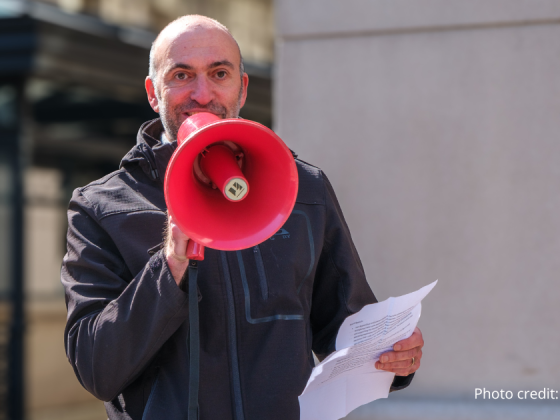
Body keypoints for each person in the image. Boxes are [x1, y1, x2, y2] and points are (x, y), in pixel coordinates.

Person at [61, 15, 424, 420]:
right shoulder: (102, 206)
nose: (202, 94)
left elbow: (342, 326)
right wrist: (168, 268)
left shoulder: (303, 189)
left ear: (242, 88)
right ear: (153, 93)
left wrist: (392, 356)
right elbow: (96, 368)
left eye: (219, 73)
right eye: (181, 75)